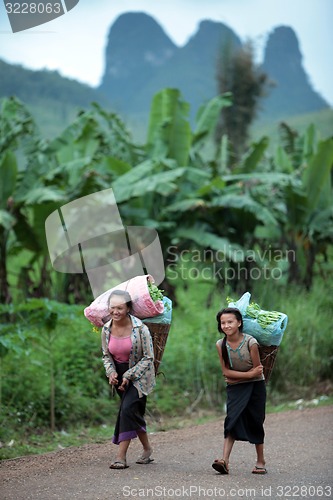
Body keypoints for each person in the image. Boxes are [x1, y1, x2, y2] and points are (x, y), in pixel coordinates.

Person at [101, 289, 156, 469]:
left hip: (140, 375)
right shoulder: (106, 328)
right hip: (118, 375)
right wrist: (111, 372)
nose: (115, 312)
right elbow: (105, 355)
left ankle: (120, 456)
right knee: (133, 413)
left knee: (126, 410)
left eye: (120, 308)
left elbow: (149, 357)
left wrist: (129, 374)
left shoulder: (141, 329)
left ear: (128, 309)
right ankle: (147, 449)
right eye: (112, 308)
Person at [212, 307, 267, 475]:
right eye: (223, 323)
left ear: (239, 323)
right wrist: (246, 375)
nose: (226, 326)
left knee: (255, 421)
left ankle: (260, 461)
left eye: (230, 322)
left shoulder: (251, 343)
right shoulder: (221, 344)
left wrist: (239, 377)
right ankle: (225, 461)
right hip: (235, 388)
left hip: (256, 387)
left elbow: (257, 372)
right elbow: (226, 372)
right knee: (232, 420)